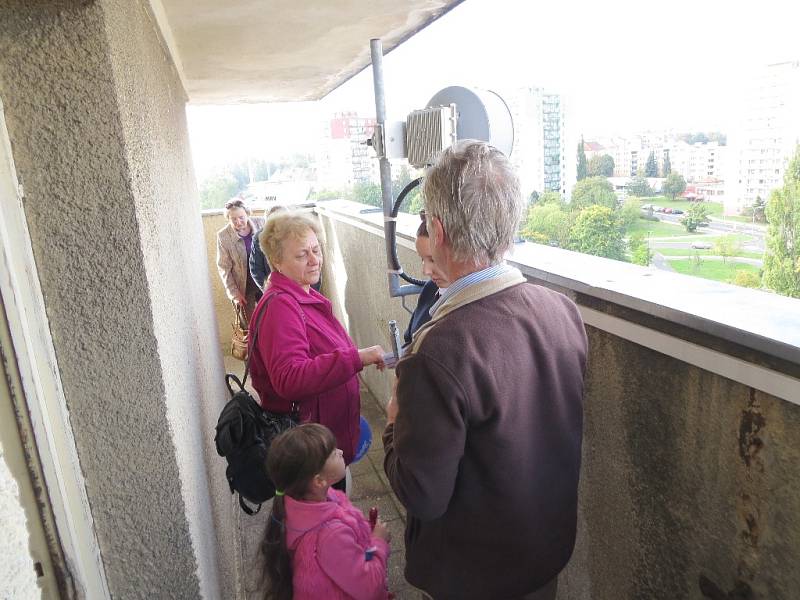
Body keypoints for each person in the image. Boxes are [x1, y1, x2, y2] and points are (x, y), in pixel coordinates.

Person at [383, 140, 588, 600]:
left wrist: (395, 424)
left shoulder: (438, 353)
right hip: (543, 556)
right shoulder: (561, 311)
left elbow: (421, 495)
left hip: (474, 578)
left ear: (436, 230)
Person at [249, 211, 385, 487]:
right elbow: (290, 378)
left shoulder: (303, 294)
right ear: (276, 262)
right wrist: (356, 358)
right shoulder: (281, 306)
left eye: (316, 249)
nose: (314, 260)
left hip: (326, 443)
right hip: (311, 455)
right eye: (301, 255)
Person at [261, 423, 391, 600]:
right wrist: (379, 541)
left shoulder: (298, 504)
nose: (341, 452)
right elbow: (369, 588)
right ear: (319, 481)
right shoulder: (331, 535)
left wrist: (365, 529)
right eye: (333, 453)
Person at [402, 210, 451, 347]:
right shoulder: (430, 289)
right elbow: (409, 339)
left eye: (433, 260)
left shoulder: (468, 304)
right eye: (422, 260)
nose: (425, 271)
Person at [250, 205, 322, 293]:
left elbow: (313, 278)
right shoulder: (281, 303)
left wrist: (309, 294)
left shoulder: (305, 235)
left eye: (316, 251)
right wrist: (267, 289)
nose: (315, 261)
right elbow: (256, 269)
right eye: (301, 255)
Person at [216, 198, 264, 320]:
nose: (238, 222)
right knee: (250, 325)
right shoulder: (223, 236)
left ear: (247, 214)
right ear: (228, 219)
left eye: (241, 217)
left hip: (264, 280)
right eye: (233, 219)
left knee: (272, 319)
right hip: (243, 287)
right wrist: (234, 293)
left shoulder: (261, 223)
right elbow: (224, 267)